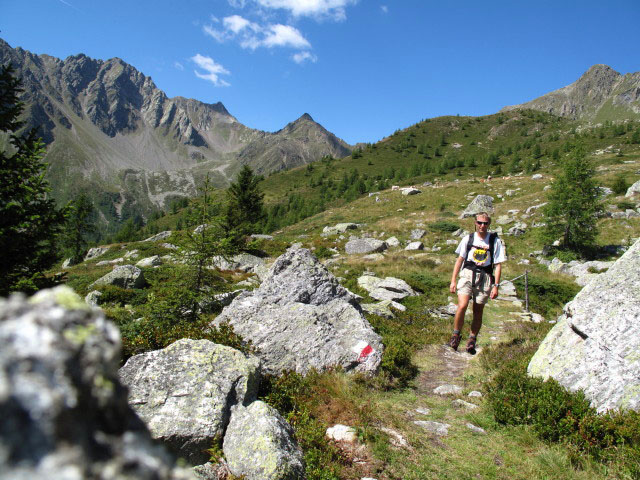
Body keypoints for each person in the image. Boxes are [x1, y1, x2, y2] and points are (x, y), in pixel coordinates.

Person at [448, 212, 506, 354]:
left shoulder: (494, 241)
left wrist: (496, 286)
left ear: (489, 224)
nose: (482, 226)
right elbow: (460, 260)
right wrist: (453, 280)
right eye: (479, 222)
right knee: (462, 306)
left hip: (485, 277)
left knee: (478, 311)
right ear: (475, 223)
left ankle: (472, 339)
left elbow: (498, 265)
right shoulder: (468, 239)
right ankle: (456, 335)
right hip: (467, 274)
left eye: (485, 223)